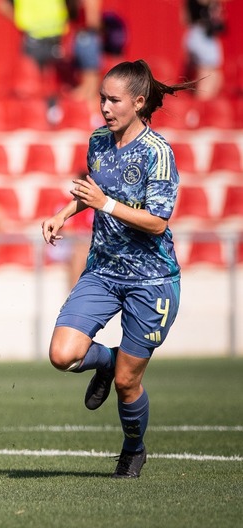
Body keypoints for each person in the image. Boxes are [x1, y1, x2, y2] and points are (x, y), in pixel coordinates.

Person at [41, 60, 195, 478]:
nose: (105, 107)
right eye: (102, 98)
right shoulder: (98, 141)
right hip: (104, 271)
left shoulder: (158, 153)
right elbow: (94, 193)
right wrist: (63, 213)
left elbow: (158, 222)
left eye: (114, 100)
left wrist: (104, 205)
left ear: (139, 102)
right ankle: (105, 361)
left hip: (152, 280)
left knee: (129, 382)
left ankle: (133, 448)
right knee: (61, 354)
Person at [183, 0, 226, 101]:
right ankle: (198, 112)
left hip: (208, 38)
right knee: (206, 77)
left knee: (216, 77)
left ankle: (205, 110)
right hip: (201, 36)